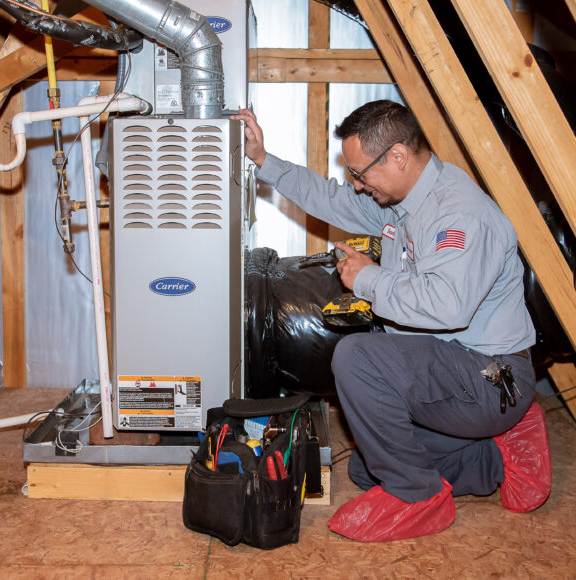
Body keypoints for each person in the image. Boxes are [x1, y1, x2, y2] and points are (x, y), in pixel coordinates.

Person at [231, 100, 551, 543]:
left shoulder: (459, 214)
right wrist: (263, 160)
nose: (358, 186)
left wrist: (368, 279)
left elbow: (448, 306)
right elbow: (330, 198)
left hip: (491, 378)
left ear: (398, 156)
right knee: (367, 467)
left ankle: (417, 496)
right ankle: (498, 456)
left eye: (361, 173)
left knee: (359, 357)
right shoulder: (402, 201)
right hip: (455, 372)